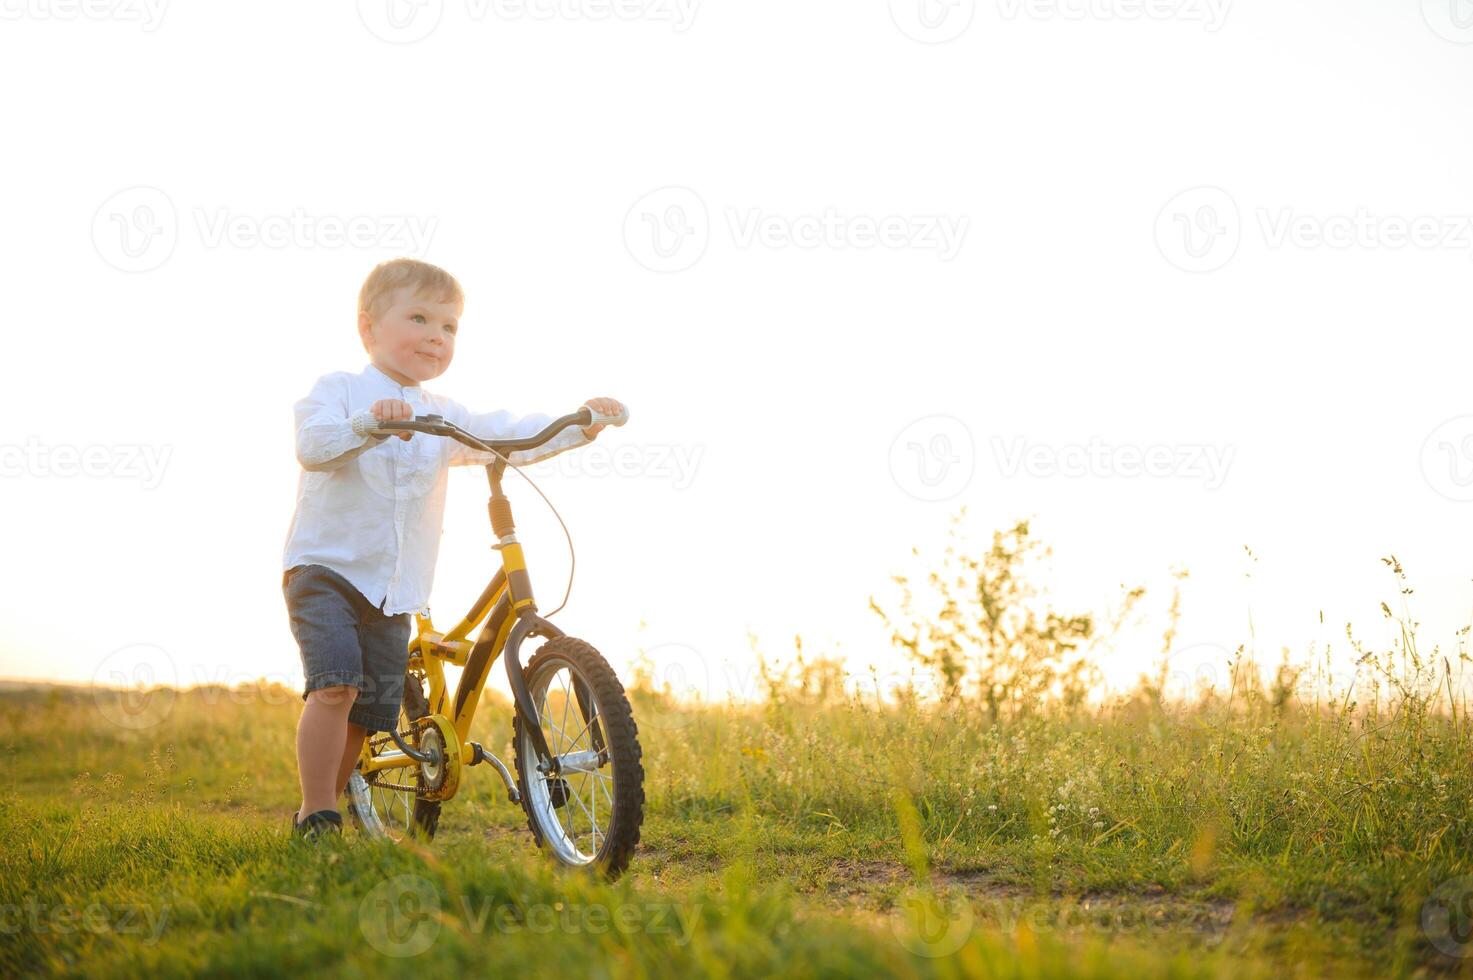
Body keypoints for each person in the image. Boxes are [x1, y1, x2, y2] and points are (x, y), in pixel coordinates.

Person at [281, 257, 624, 838]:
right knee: (336, 687)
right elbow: (314, 445)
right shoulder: (340, 390)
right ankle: (316, 812)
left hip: (396, 590)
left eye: (450, 327)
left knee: (367, 715)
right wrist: (370, 423)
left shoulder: (445, 413)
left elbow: (509, 433)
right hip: (328, 571)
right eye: (419, 318)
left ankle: (329, 809)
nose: (437, 336)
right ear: (369, 328)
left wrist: (579, 424)